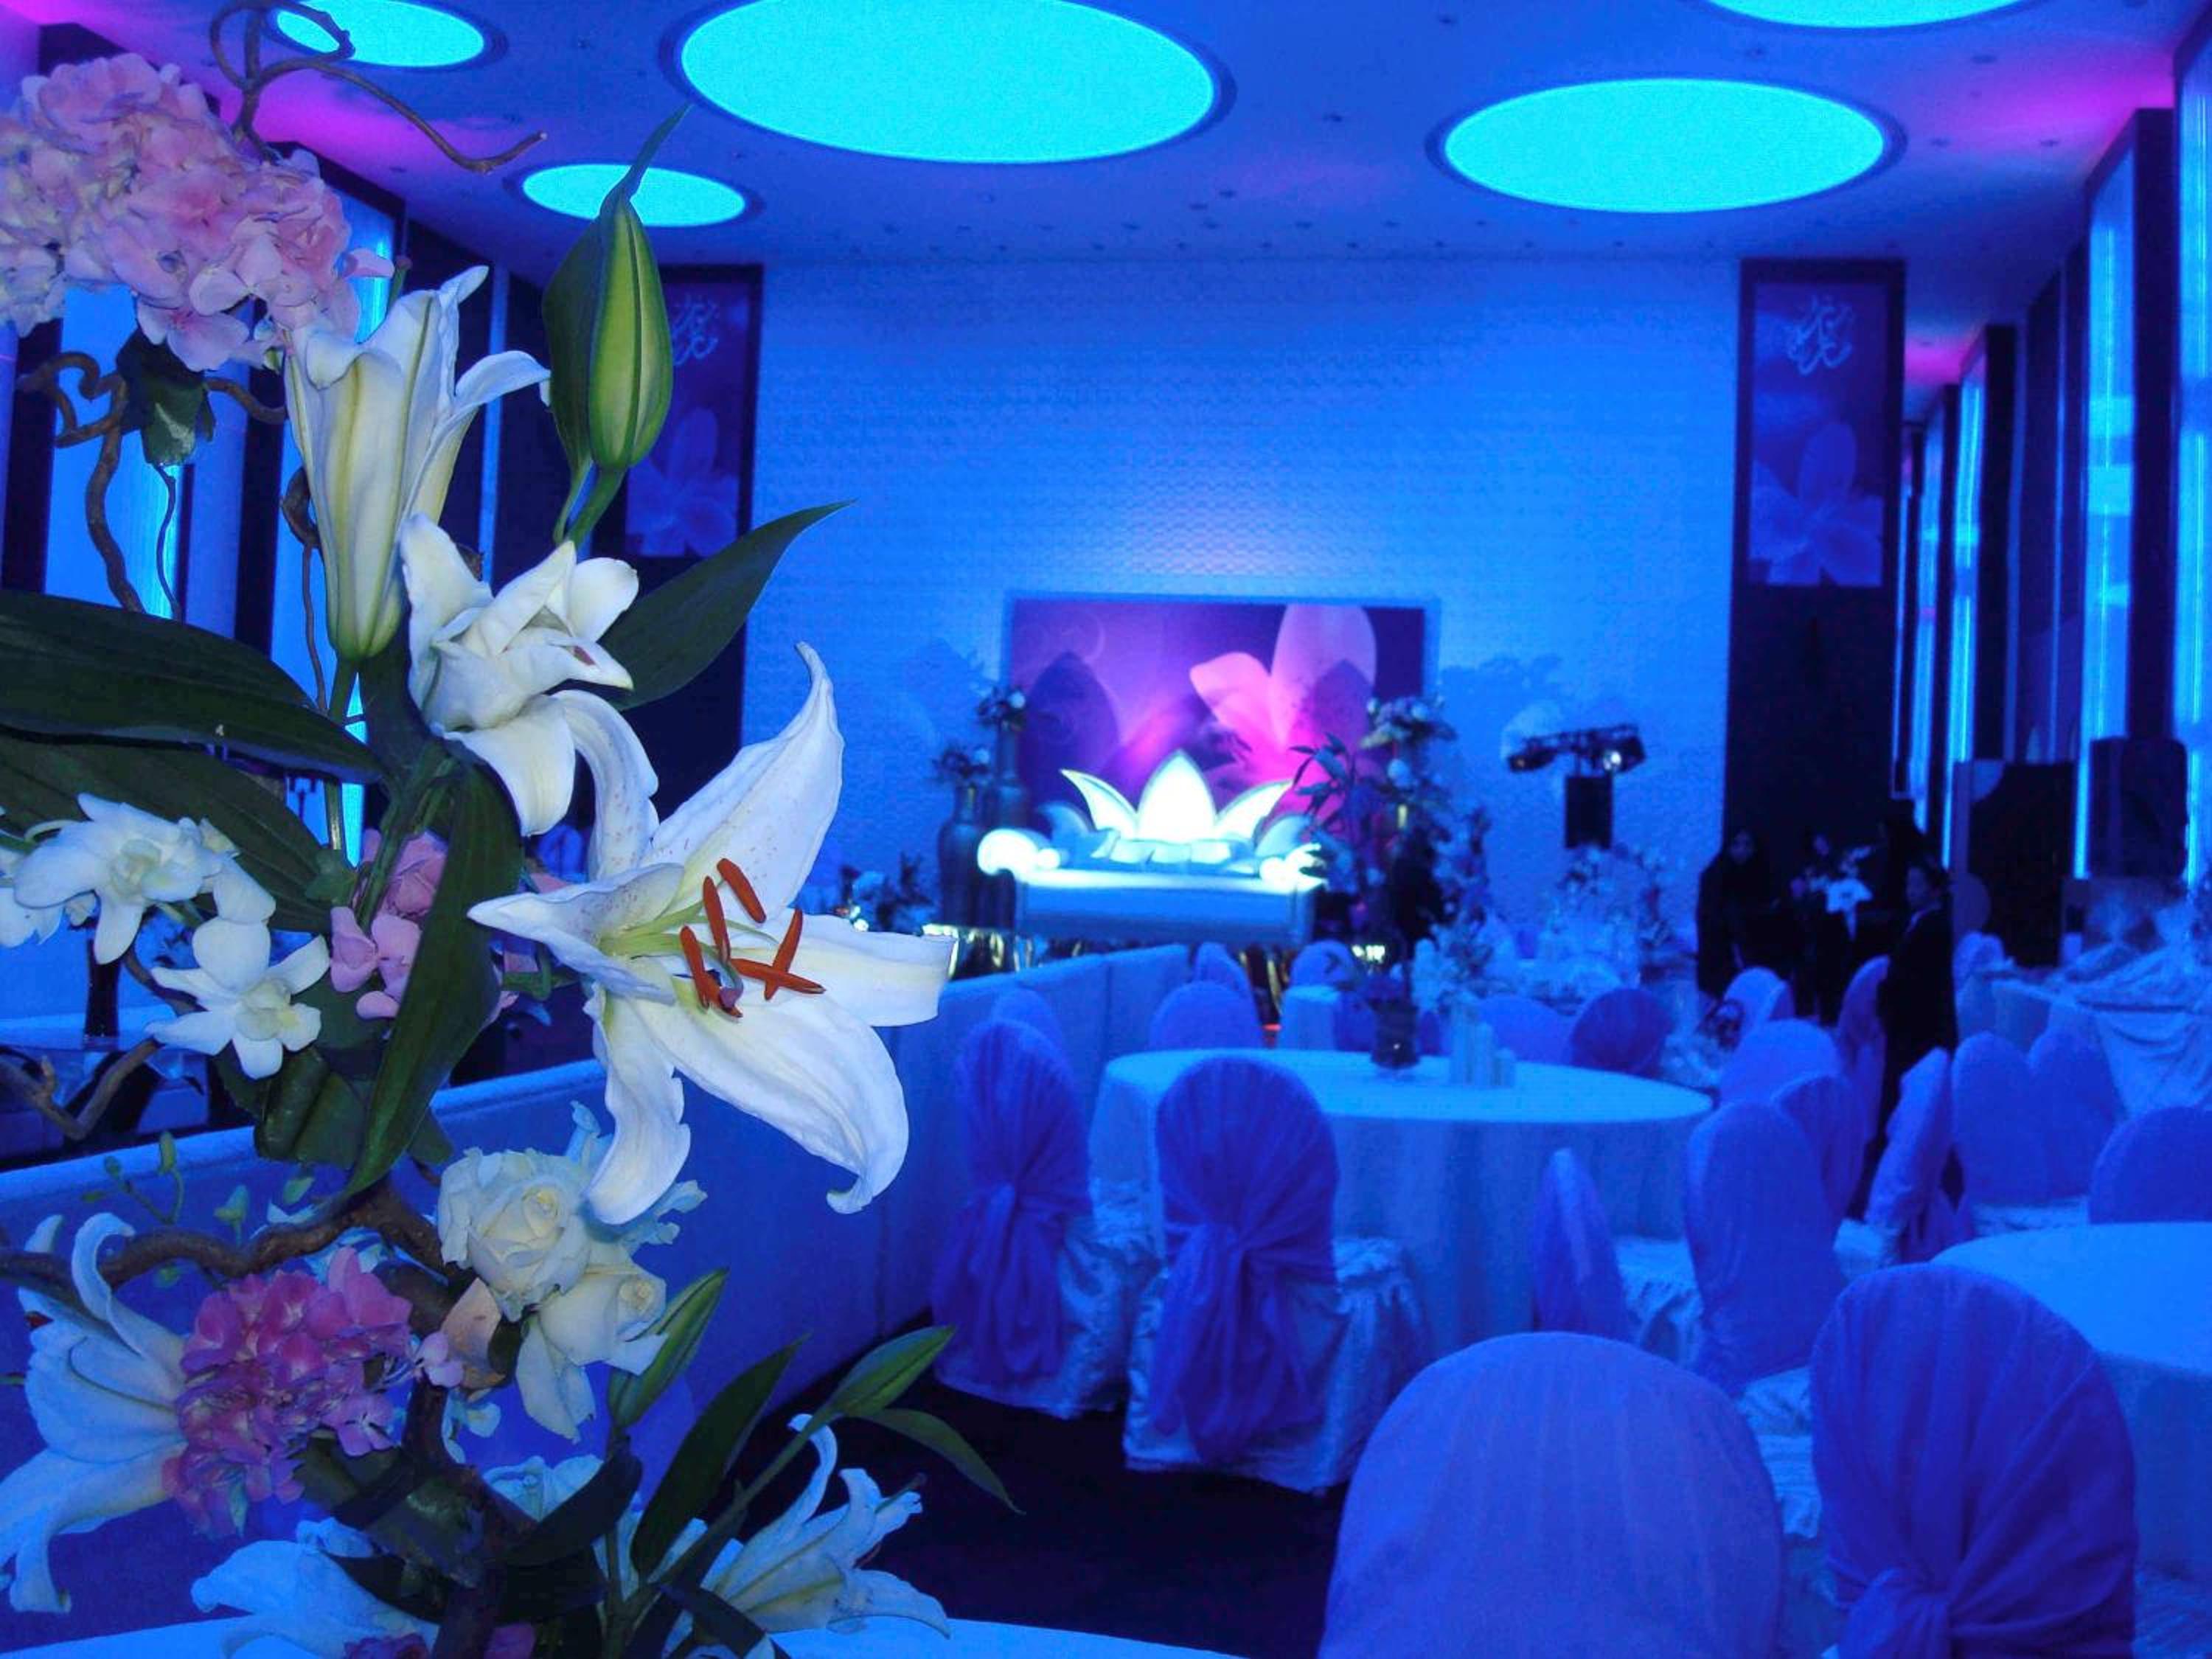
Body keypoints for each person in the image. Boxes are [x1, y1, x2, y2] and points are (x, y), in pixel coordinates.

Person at [1863, 854, 1957, 1205]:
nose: (1909, 890)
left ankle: (1898, 1159)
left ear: (1934, 890)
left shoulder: (1934, 929)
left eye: (1916, 884)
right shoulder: (1917, 922)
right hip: (1907, 1023)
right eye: (1908, 883)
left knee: (1908, 1089)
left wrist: (1886, 999)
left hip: (1919, 1026)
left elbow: (1914, 982)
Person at [1696, 828, 1773, 1001]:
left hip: (1752, 959)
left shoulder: (1760, 876)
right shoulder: (1714, 876)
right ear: (1728, 846)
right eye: (1736, 844)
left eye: (1747, 845)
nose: (1742, 850)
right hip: (1720, 960)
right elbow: (1710, 920)